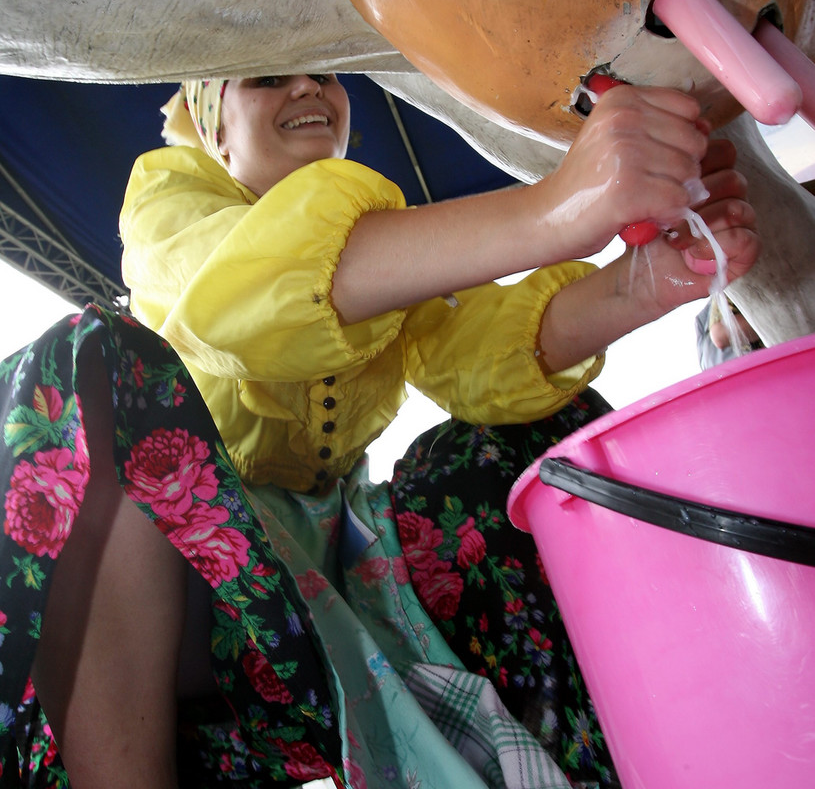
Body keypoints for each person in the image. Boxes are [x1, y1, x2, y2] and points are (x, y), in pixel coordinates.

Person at [1, 75, 759, 789]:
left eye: (323, 76)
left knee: (502, 448)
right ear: (213, 130)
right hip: (188, 605)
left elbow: (475, 352)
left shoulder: (387, 243)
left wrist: (639, 284)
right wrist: (559, 207)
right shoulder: (168, 199)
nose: (306, 88)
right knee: (83, 361)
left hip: (331, 592)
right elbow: (235, 297)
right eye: (266, 79)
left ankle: (642, 744)